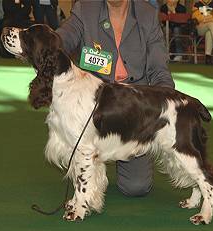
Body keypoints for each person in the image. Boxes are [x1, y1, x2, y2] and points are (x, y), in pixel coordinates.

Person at [56, 0, 175, 197]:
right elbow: (60, 41)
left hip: (133, 109)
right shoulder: (85, 9)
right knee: (83, 153)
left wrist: (164, 109)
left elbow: (159, 70)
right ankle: (94, 162)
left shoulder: (147, 13)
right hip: (95, 107)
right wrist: (41, 44)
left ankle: (113, 157)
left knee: (136, 187)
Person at [192, 0, 213, 64]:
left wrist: (204, 18)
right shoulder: (197, 5)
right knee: (211, 24)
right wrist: (209, 18)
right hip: (201, 28)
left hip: (211, 28)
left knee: (209, 32)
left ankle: (208, 56)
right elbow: (195, 17)